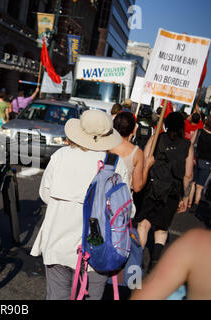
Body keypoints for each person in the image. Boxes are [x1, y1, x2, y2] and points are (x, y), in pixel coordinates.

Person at [30, 109, 133, 300]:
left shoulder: (60, 155)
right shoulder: (114, 164)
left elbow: (44, 194)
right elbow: (128, 211)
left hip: (57, 242)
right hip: (96, 249)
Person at [134, 112, 194, 270]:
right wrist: (185, 197)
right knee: (162, 228)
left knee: (143, 224)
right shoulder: (187, 145)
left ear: (166, 124)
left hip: (152, 187)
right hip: (172, 191)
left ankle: (137, 260)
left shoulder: (156, 139)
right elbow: (188, 175)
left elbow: (145, 158)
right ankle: (154, 261)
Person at [130, 228, 211, 300]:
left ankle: (138, 256)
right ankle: (154, 257)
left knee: (143, 225)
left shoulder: (199, 243)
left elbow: (146, 296)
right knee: (162, 227)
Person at [110, 111, 155, 192]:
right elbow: (137, 187)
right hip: (122, 199)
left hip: (101, 196)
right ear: (134, 129)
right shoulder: (137, 153)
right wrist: (147, 166)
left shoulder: (105, 145)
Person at [189, 115, 211, 211]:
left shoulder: (199, 132)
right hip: (207, 162)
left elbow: (191, 143)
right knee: (200, 186)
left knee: (193, 182)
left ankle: (189, 203)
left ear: (206, 122)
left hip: (195, 159)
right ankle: (196, 204)